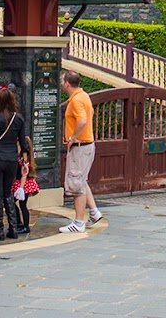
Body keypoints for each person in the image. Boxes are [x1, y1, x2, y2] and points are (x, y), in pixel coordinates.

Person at [0, 85, 31, 241]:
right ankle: (13, 228)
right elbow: (23, 142)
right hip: (12, 159)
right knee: (8, 193)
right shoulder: (18, 118)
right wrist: (24, 160)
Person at [60, 70, 101, 232]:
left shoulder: (76, 101)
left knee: (77, 185)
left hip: (80, 147)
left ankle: (78, 222)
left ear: (67, 83)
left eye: (62, 81)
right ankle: (94, 212)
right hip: (87, 145)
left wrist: (72, 137)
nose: (61, 83)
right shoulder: (84, 96)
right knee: (82, 180)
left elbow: (82, 120)